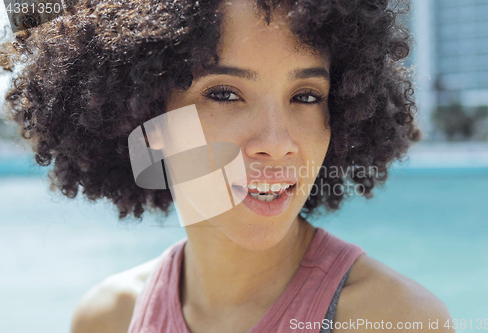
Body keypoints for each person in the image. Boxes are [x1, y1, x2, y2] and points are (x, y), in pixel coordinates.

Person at [2, 0, 454, 332]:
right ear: (147, 121)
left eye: (306, 97)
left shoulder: (394, 319)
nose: (277, 145)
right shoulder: (107, 318)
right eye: (224, 94)